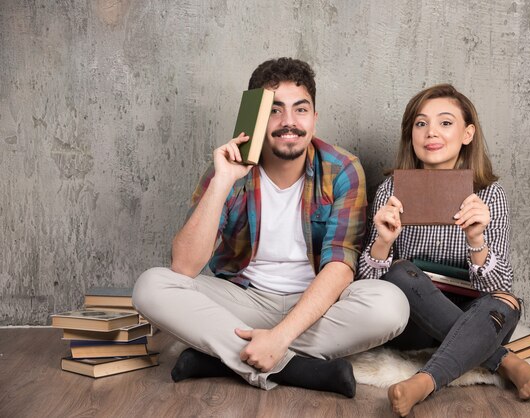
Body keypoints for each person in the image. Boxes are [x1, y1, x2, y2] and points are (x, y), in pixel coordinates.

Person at [133, 57, 409, 398]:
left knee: (391, 304)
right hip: (243, 299)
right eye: (275, 110)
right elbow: (184, 266)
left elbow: (340, 267)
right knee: (151, 286)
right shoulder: (228, 167)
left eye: (300, 109)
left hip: (317, 305)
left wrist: (280, 336)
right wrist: (222, 183)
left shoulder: (342, 169)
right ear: (257, 116)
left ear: (314, 117)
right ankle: (296, 368)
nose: (289, 122)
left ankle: (226, 357)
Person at [357, 84, 530, 416]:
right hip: (413, 320)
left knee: (507, 302)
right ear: (411, 134)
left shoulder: (490, 194)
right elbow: (366, 288)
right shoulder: (391, 189)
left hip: (475, 313)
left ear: (467, 133)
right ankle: (502, 360)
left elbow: (498, 288)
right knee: (401, 271)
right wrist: (383, 242)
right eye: (420, 123)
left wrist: (477, 242)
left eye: (445, 122)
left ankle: (424, 382)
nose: (431, 132)